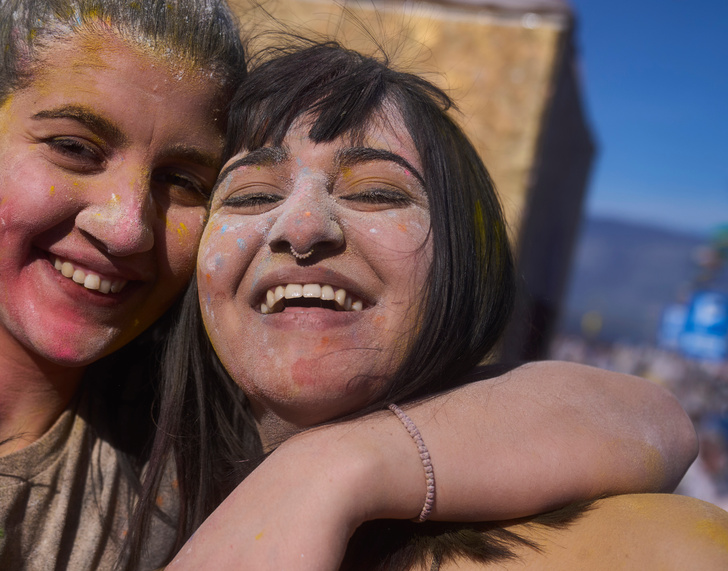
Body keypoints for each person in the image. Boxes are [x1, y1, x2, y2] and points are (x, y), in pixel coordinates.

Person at [0, 0, 699, 570]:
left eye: (184, 179)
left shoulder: (178, 454)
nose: (127, 221)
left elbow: (638, 418)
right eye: (73, 146)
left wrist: (334, 469)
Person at [156, 41, 728, 569]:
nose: (303, 227)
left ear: (463, 264)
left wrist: (328, 468)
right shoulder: (118, 470)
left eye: (376, 192)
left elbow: (656, 421)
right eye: (252, 195)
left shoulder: (645, 552)